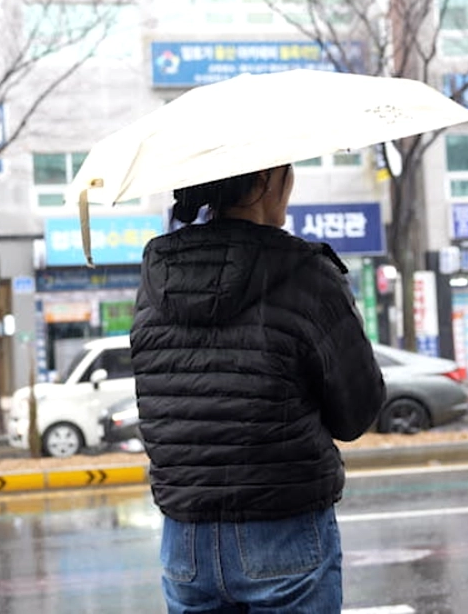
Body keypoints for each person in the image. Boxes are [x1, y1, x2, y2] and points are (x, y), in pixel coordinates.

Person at [130, 163, 387, 612]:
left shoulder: (157, 276)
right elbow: (357, 413)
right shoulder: (306, 271)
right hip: (284, 525)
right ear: (267, 179)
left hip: (183, 538)